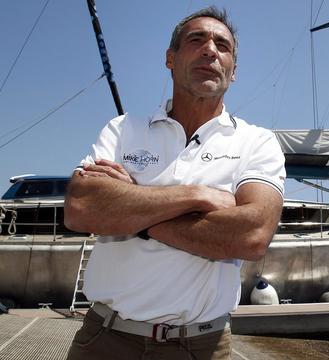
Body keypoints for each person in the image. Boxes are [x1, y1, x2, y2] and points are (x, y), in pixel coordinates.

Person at [64, 6, 285, 359]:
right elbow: (80, 208)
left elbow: (252, 235)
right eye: (196, 40)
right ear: (171, 58)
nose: (210, 50)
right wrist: (199, 196)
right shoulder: (123, 129)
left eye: (222, 46)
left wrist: (132, 207)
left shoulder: (257, 142)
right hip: (105, 340)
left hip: (200, 346)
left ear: (233, 71)